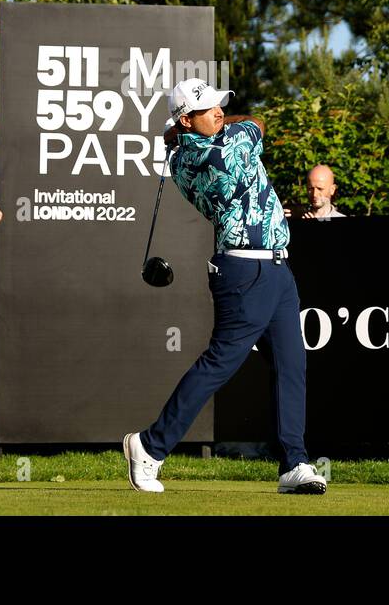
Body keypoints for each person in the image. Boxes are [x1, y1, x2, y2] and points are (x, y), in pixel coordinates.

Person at [123, 78, 326, 496]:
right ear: (185, 118)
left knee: (292, 365)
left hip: (274, 269)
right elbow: (257, 122)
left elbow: (213, 128)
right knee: (220, 363)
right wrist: (188, 128)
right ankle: (149, 445)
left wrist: (178, 131)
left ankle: (294, 463)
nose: (219, 112)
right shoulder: (225, 150)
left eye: (220, 105)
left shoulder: (179, 159)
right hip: (245, 272)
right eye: (209, 109)